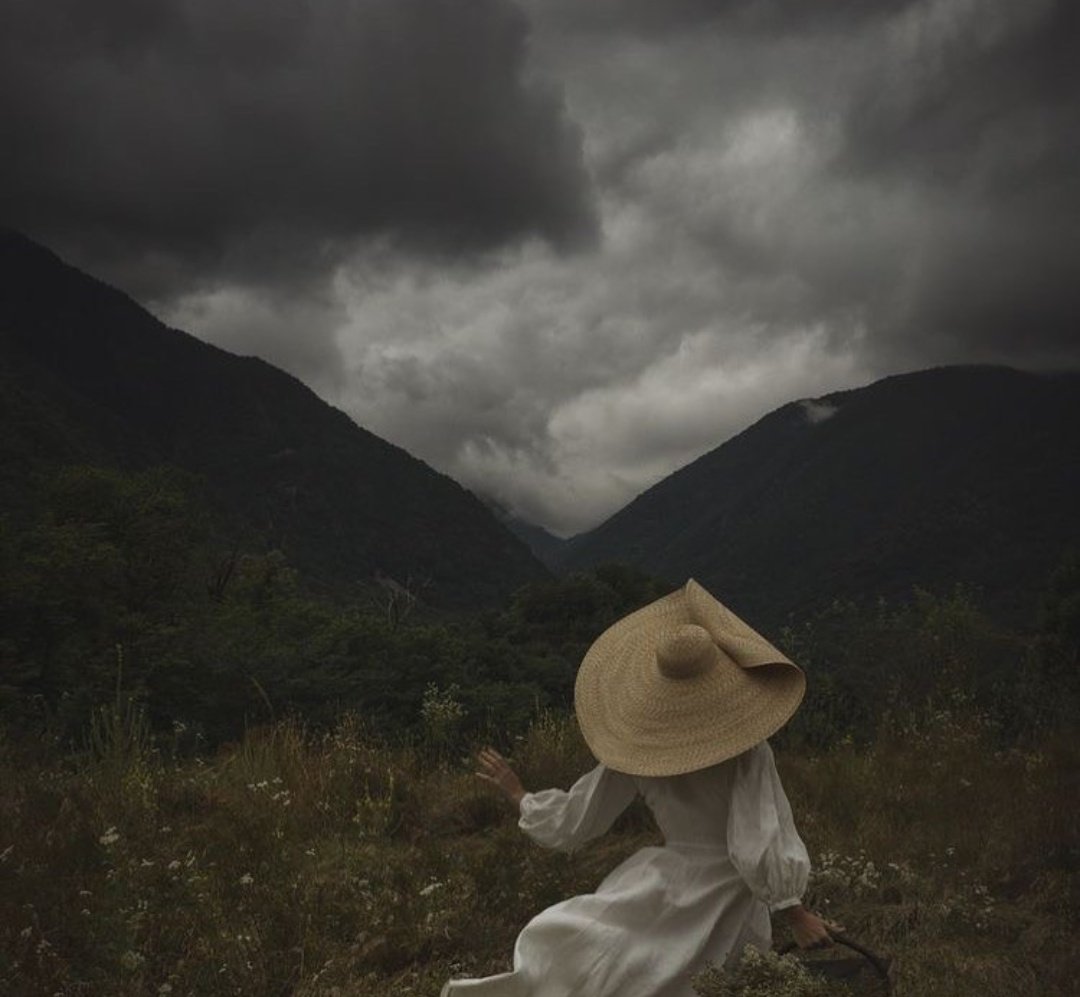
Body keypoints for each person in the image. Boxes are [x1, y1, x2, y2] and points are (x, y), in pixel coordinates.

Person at [441, 579, 838, 997]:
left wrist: (521, 795)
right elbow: (755, 834)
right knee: (703, 981)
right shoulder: (747, 751)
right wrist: (793, 911)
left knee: (615, 965)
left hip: (664, 879)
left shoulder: (639, 750)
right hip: (725, 894)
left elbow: (579, 819)